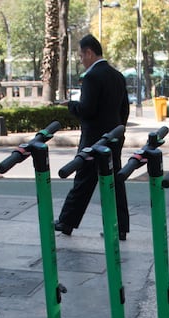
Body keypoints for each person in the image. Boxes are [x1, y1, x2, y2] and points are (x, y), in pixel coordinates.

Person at [55, 34, 130, 240]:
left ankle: (67, 222)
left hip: (93, 139)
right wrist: (119, 130)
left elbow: (87, 110)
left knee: (83, 181)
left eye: (81, 56)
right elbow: (124, 110)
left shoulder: (91, 77)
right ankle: (120, 227)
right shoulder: (117, 76)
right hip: (113, 137)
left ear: (89, 52)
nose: (81, 60)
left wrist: (70, 105)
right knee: (115, 181)